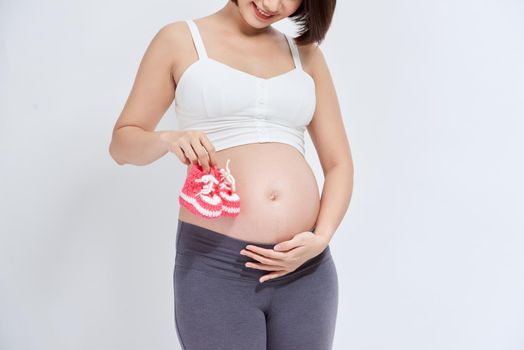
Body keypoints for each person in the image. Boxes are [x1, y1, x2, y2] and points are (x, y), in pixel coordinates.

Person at [109, 0, 353, 348]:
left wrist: (321, 237)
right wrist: (167, 139)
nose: (272, 3)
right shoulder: (180, 40)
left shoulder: (306, 55)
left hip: (305, 270)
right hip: (218, 268)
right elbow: (122, 144)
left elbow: (339, 163)